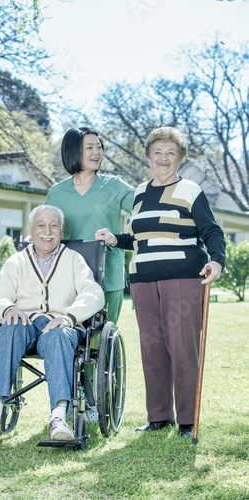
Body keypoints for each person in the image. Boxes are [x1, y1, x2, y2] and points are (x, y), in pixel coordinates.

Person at [95, 126, 226, 437]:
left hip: (182, 277)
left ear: (179, 158)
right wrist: (117, 238)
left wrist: (217, 261)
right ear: (148, 157)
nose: (163, 158)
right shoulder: (140, 193)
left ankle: (187, 420)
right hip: (142, 280)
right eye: (158, 153)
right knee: (152, 347)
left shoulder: (190, 190)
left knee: (182, 346)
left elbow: (212, 232)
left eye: (170, 153)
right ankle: (158, 417)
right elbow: (142, 237)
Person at [0, 205, 104, 441]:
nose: (48, 231)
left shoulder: (74, 259)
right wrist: (9, 308)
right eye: (41, 225)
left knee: (58, 334)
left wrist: (69, 317)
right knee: (9, 326)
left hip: (59, 327)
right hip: (24, 327)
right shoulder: (17, 262)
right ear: (30, 230)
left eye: (54, 225)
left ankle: (58, 418)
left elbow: (94, 294)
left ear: (62, 229)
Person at [45, 126, 135, 325]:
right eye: (90, 148)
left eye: (99, 147)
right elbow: (45, 230)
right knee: (72, 335)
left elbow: (145, 208)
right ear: (73, 151)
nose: (97, 152)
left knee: (103, 336)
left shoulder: (114, 185)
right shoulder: (57, 192)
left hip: (109, 275)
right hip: (70, 277)